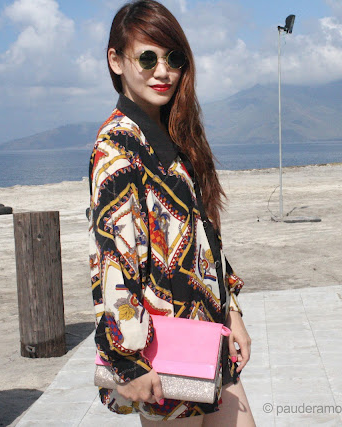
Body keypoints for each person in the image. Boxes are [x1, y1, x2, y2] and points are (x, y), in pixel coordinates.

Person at [88, 1, 255, 425]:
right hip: (163, 351)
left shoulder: (173, 138)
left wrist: (231, 311)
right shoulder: (117, 147)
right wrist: (127, 361)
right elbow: (115, 259)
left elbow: (203, 237)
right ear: (116, 61)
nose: (162, 71)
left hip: (206, 335)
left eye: (173, 59)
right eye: (147, 58)